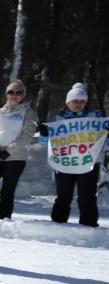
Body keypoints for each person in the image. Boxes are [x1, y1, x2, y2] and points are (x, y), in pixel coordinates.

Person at [48, 82, 103, 227]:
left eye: (82, 101)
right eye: (75, 101)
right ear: (68, 102)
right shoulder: (58, 119)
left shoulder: (94, 117)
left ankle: (89, 224)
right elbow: (46, 142)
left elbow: (104, 139)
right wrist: (43, 133)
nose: (78, 104)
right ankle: (58, 223)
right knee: (63, 196)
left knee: (87, 196)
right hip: (65, 162)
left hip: (88, 163)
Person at [0, 79, 38, 219]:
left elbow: (27, 135)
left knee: (8, 190)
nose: (14, 95)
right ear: (7, 94)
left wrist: (9, 151)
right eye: (11, 92)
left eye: (18, 93)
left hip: (16, 157)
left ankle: (3, 219)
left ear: (23, 95)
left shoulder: (28, 113)